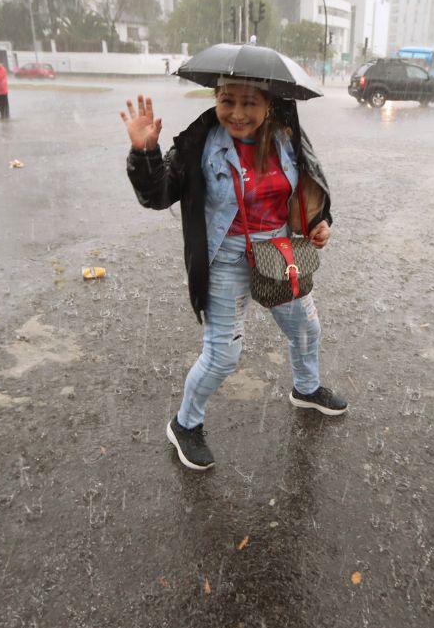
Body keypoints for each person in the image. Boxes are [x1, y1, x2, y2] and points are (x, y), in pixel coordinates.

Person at [122, 81, 344, 472]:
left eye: (250, 103)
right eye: (228, 101)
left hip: (277, 255)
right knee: (223, 354)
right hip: (225, 257)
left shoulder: (286, 138)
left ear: (269, 105)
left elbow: (309, 187)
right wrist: (145, 152)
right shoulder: (200, 142)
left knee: (307, 329)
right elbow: (157, 194)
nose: (238, 113)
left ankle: (306, 389)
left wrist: (319, 222)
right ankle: (185, 424)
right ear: (216, 100)